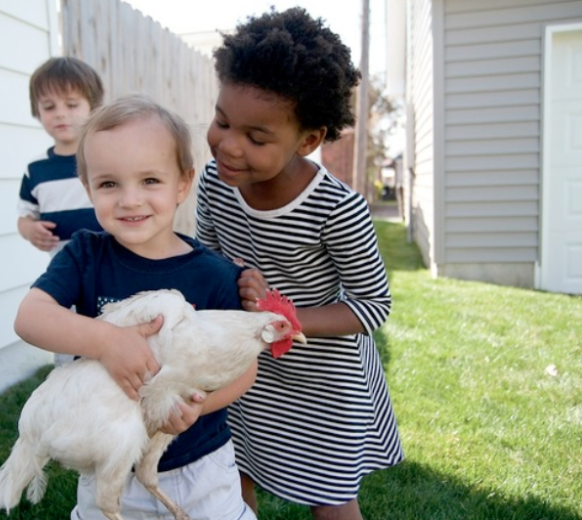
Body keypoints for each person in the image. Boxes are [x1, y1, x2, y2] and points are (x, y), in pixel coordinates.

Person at [195, 8, 404, 520]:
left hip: (323, 381)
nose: (228, 144)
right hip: (247, 369)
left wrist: (279, 314)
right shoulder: (213, 182)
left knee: (328, 494)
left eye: (257, 137)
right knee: (230, 470)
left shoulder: (336, 209)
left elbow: (373, 306)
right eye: (222, 121)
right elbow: (207, 261)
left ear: (307, 140)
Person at [14, 95, 258, 520]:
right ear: (88, 187)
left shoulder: (214, 275)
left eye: (149, 181)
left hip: (198, 465)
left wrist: (200, 405)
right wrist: (107, 341)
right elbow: (29, 317)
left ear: (183, 183)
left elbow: (245, 369)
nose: (130, 200)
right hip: (108, 460)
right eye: (109, 184)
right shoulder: (84, 257)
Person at [17, 57, 104, 257]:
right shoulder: (36, 169)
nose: (60, 114)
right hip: (64, 272)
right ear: (36, 111)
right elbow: (25, 215)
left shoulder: (107, 159)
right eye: (49, 107)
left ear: (93, 108)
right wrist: (29, 230)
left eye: (72, 104)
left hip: (114, 267)